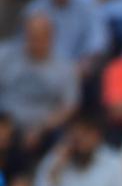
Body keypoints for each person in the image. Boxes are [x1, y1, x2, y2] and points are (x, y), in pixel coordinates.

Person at [0, 12, 79, 159]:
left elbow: (69, 106)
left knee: (63, 139)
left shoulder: (64, 68)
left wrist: (42, 128)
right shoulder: (5, 56)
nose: (35, 41)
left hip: (45, 129)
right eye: (31, 36)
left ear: (51, 37)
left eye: (40, 37)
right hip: (5, 122)